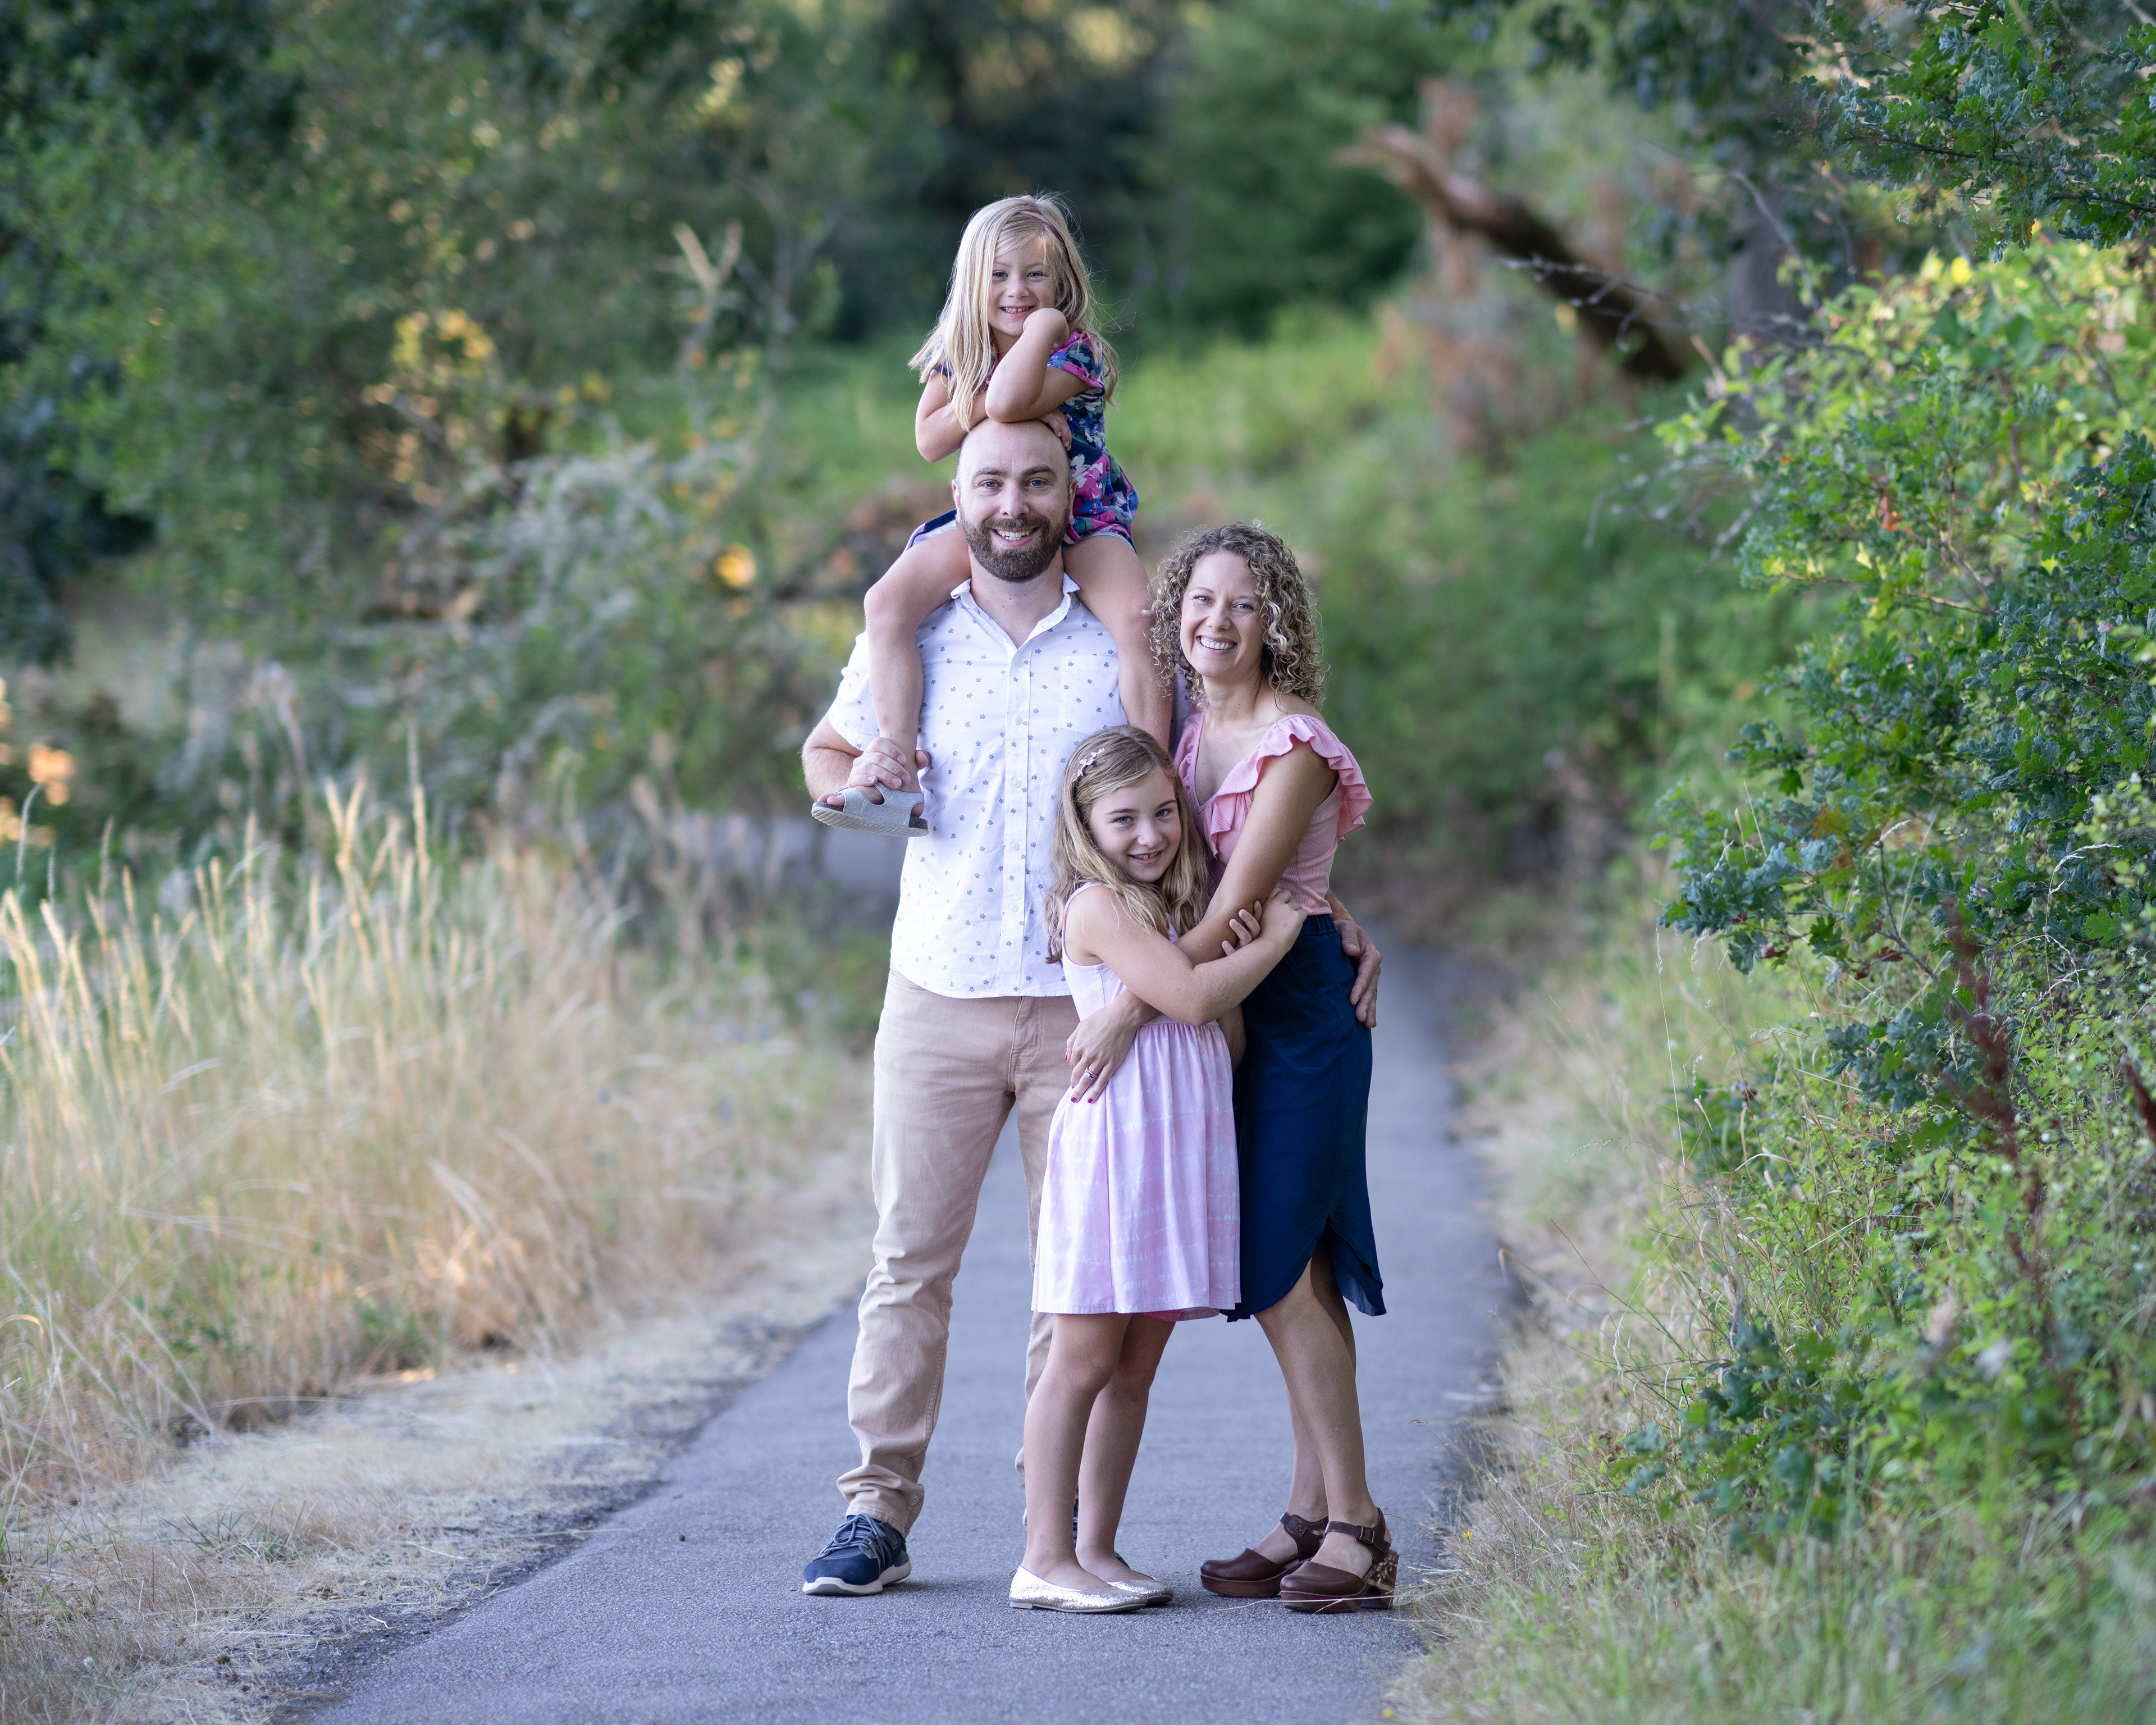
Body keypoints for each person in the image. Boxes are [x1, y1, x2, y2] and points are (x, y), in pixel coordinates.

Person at [794, 416, 1127, 1596]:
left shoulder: (1122, 639)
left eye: (1036, 481)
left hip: (1084, 1010)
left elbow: (1202, 784)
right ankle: (876, 1511)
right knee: (909, 1261)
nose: (1013, 503)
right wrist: (859, 780)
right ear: (959, 494)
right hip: (936, 991)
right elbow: (824, 754)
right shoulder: (913, 632)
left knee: (1071, 1277)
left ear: (1070, 491)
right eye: (990, 482)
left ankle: (1058, 1526)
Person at [1062, 522, 1395, 1612]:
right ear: (1175, 613)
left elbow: (1231, 904)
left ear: (1276, 621)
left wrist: (1127, 1005)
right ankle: (1312, 1511)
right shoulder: (1188, 730)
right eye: (1202, 600)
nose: (1219, 620)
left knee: (1283, 1270)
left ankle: (1359, 1528)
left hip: (1293, 1015)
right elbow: (1179, 870)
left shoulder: (1293, 745)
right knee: (1295, 1276)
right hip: (1225, 1018)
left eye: (1244, 603)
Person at [1015, 725, 1303, 1613]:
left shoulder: (1179, 912)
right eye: (1124, 819)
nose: (1150, 835)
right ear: (1086, 827)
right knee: (1081, 1361)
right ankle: (1042, 1557)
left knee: (1134, 1370)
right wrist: (1271, 942)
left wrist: (1213, 959)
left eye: (1163, 812)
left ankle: (1097, 1550)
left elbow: (1226, 1037)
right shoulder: (1096, 907)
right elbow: (1192, 999)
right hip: (1117, 1151)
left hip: (1175, 1154)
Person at [809, 194, 1167, 841]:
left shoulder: (1074, 350)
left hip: (1081, 513)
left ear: (1062, 281)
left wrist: (1042, 332)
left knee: (1138, 619)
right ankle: (898, 768)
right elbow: (929, 439)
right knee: (886, 603)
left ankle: (1153, 783)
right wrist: (1001, 397)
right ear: (975, 282)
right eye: (999, 275)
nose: (1017, 291)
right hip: (993, 516)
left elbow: (1004, 400)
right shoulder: (960, 351)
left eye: (1036, 274)